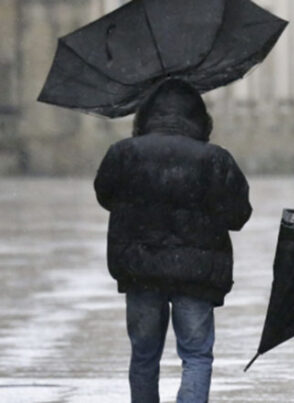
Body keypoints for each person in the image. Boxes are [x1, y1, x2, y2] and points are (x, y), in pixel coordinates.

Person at [94, 79, 252, 403]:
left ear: (146, 114)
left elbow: (105, 196)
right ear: (199, 117)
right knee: (196, 356)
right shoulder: (215, 159)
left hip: (141, 270)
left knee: (143, 356)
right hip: (195, 274)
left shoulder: (123, 153)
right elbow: (238, 215)